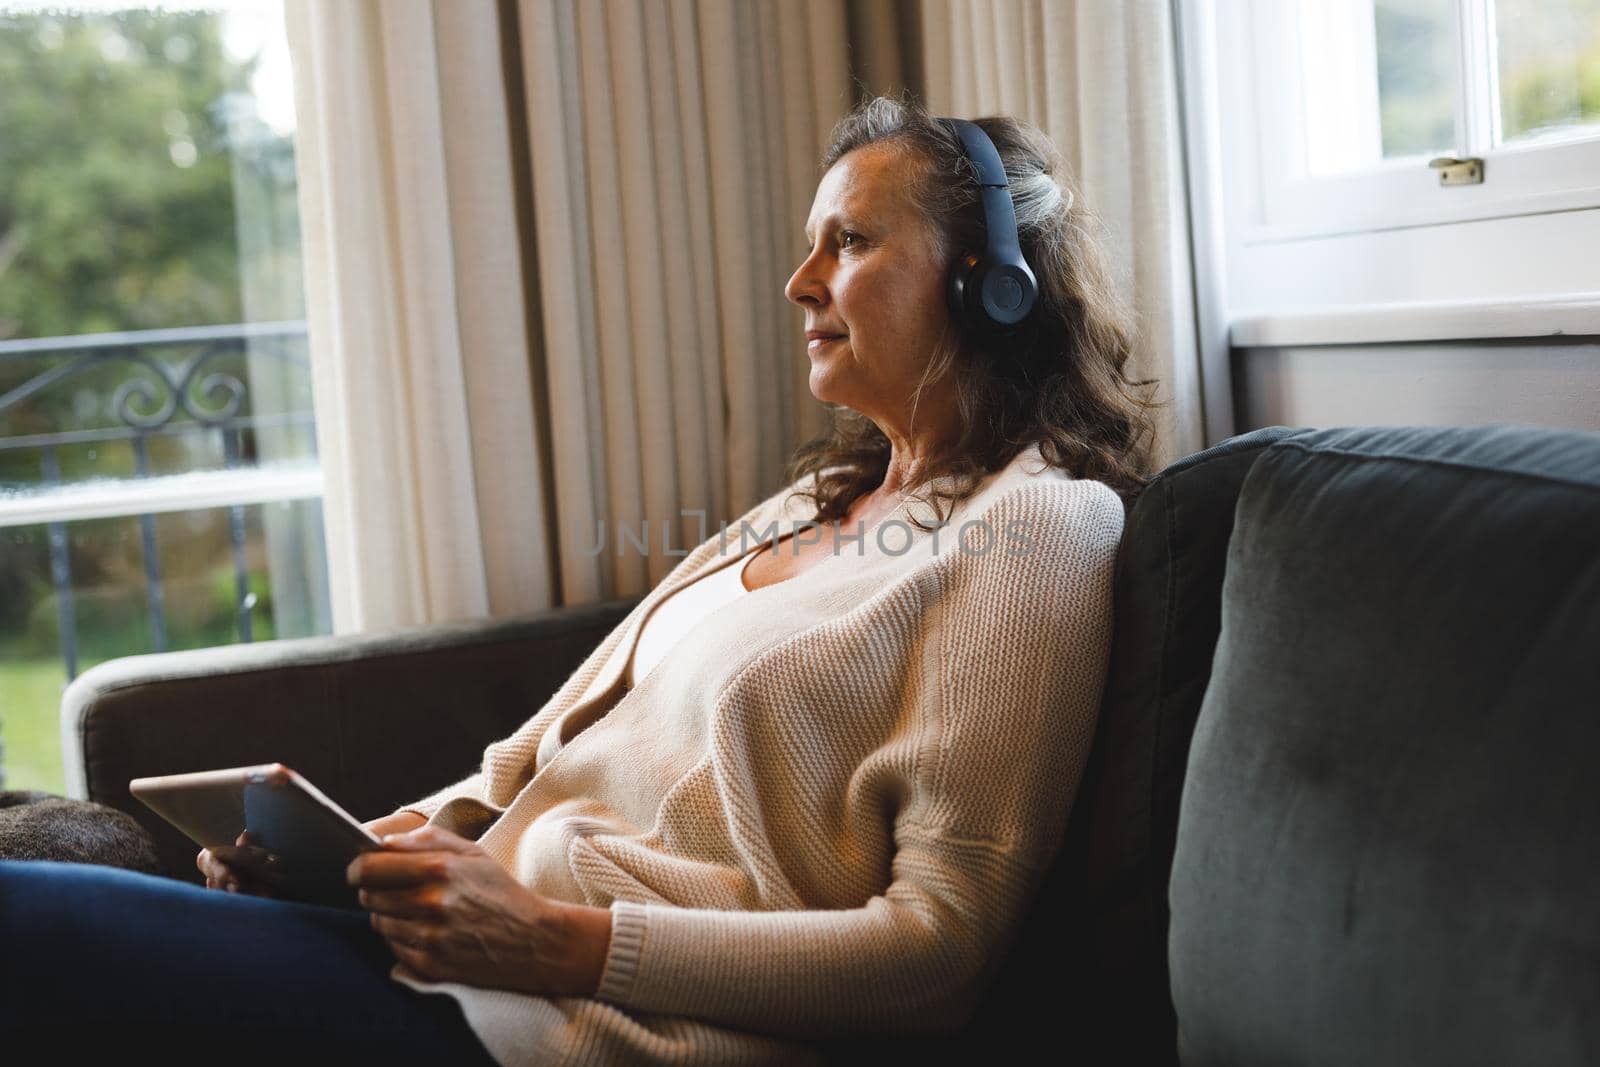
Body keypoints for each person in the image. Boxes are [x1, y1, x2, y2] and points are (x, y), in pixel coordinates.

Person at [0, 94, 1154, 1064]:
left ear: (985, 282)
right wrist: (355, 859)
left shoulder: (1037, 528)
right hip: (447, 961)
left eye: (849, 242)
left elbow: (938, 951)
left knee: (29, 921)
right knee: (42, 864)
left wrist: (551, 941)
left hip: (570, 1022)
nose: (801, 281)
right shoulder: (809, 504)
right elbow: (523, 764)